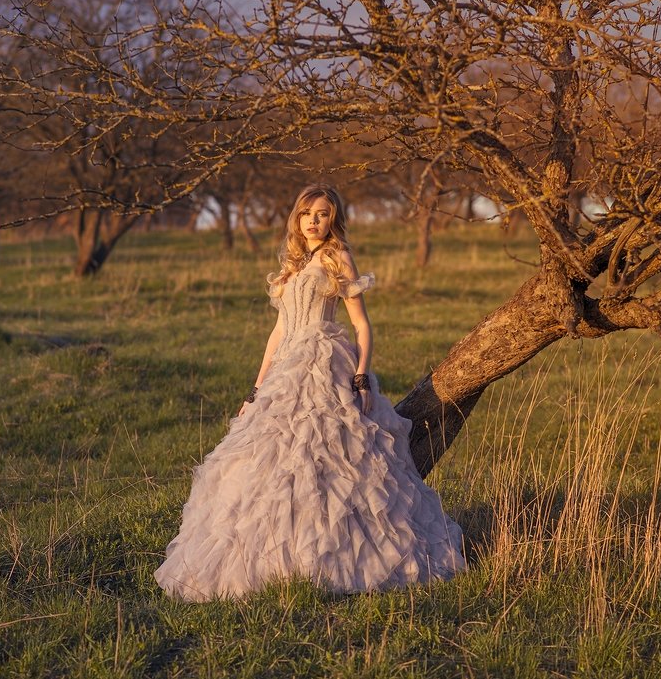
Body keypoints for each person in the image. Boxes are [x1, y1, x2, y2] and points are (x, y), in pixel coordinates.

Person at [154, 184, 466, 600]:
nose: (314, 221)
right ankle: (278, 560)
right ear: (297, 219)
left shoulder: (338, 258)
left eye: (322, 213)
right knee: (272, 461)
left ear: (333, 218)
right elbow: (279, 331)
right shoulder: (291, 266)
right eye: (307, 214)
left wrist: (361, 377)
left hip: (326, 364)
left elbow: (362, 326)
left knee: (329, 457)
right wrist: (255, 389)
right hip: (287, 370)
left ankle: (337, 557)